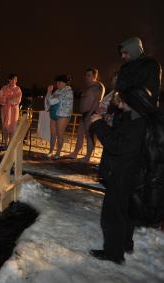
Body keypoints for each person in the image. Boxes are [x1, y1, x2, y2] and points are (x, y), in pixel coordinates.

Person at [89, 87, 158, 264]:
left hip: (123, 174)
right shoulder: (139, 118)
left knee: (113, 214)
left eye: (123, 100)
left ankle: (113, 253)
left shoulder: (137, 123)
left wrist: (98, 124)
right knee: (127, 213)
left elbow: (117, 145)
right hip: (133, 173)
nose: (120, 103)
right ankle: (125, 244)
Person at [65, 68, 105, 162]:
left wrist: (90, 114)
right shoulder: (89, 87)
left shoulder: (98, 86)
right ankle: (75, 153)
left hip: (91, 114)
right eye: (86, 75)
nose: (86, 77)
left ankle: (87, 157)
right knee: (79, 134)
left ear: (95, 76)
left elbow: (97, 101)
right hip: (84, 114)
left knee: (89, 136)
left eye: (89, 75)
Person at [115, 37, 162, 107]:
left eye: (125, 52)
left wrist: (127, 103)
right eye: (121, 53)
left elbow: (150, 91)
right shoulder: (124, 68)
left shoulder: (151, 64)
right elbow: (118, 90)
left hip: (143, 112)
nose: (123, 56)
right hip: (122, 113)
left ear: (134, 50)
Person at [44, 74, 74, 160]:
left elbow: (51, 101)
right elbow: (48, 101)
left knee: (60, 135)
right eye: (57, 82)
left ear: (65, 83)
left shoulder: (68, 91)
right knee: (53, 135)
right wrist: (49, 93)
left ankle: (58, 153)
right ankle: (51, 151)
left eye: (60, 82)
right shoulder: (57, 91)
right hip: (54, 114)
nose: (58, 84)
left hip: (63, 115)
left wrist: (49, 92)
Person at [0, 74, 22, 147]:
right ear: (9, 80)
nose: (13, 81)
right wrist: (5, 100)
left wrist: (9, 100)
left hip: (14, 110)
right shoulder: (4, 88)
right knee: (5, 127)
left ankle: (10, 144)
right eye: (11, 79)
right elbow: (0, 98)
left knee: (13, 126)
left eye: (15, 79)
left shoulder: (18, 89)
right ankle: (5, 142)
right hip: (5, 109)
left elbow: (18, 99)